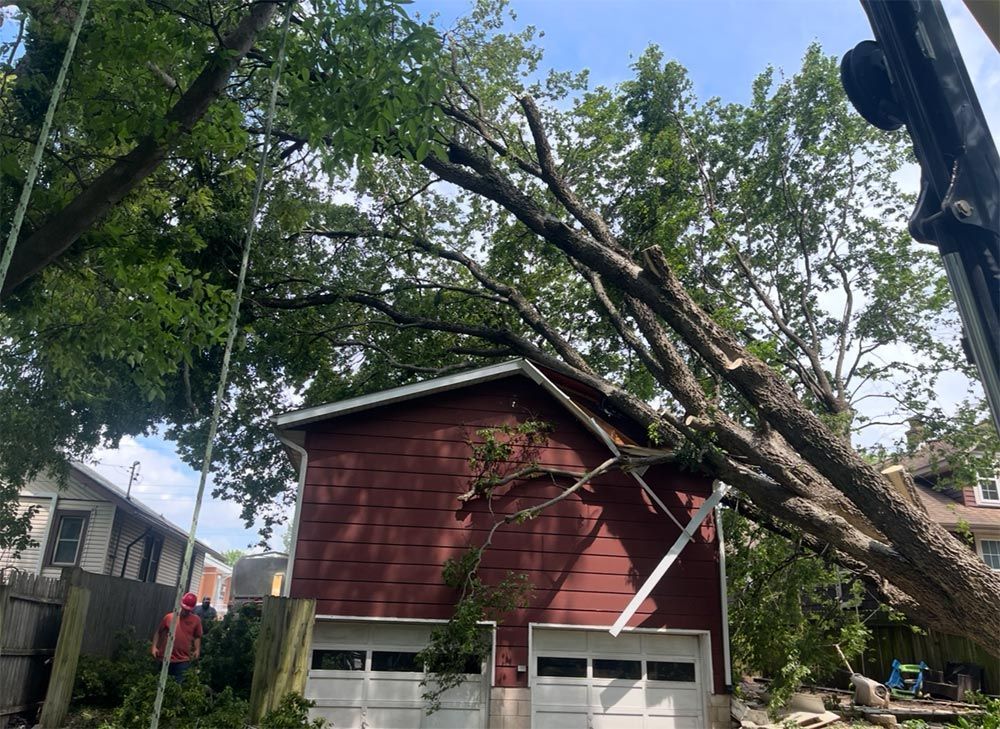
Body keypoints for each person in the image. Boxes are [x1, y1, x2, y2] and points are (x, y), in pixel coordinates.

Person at [151, 591, 203, 681]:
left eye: (188, 610)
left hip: (183, 660)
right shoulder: (169, 617)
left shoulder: (196, 620)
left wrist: (197, 649)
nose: (186, 611)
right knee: (161, 682)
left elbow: (197, 636)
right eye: (184, 608)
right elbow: (158, 632)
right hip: (165, 657)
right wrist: (154, 647)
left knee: (177, 686)